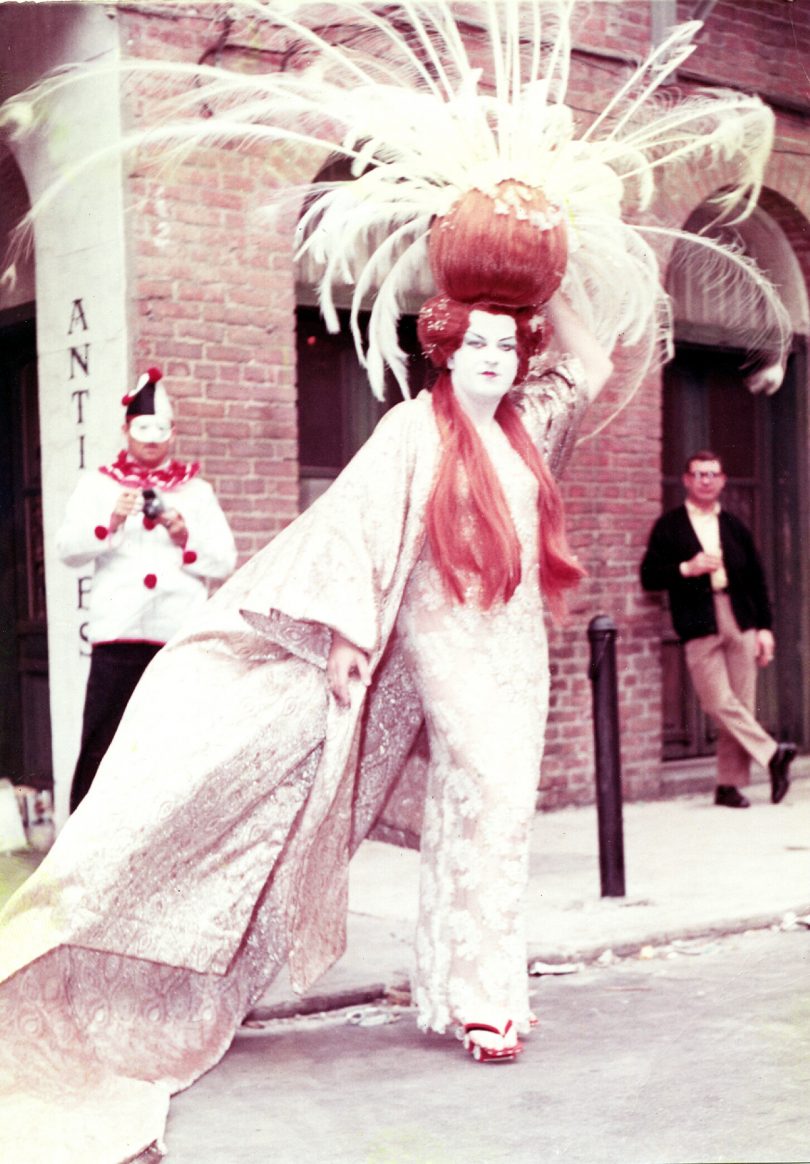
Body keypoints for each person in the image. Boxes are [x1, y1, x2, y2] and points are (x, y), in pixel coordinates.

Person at [56, 368, 237, 810]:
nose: (151, 438)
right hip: (117, 635)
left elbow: (225, 561)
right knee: (102, 741)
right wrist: (110, 521)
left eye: (160, 429)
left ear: (173, 433)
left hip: (176, 638)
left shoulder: (197, 492)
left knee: (175, 743)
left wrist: (182, 533)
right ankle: (80, 849)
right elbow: (67, 550)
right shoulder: (98, 485)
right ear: (125, 430)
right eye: (142, 429)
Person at [640, 450, 795, 808]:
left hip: (739, 618)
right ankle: (773, 753)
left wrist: (765, 629)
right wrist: (686, 568)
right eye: (698, 474)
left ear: (722, 481)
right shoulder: (671, 526)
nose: (705, 481)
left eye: (712, 474)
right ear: (686, 480)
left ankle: (729, 786)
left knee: (740, 702)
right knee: (716, 700)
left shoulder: (735, 526)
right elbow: (648, 575)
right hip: (699, 620)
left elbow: (757, 581)